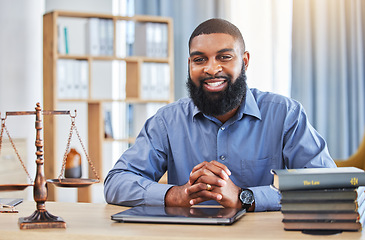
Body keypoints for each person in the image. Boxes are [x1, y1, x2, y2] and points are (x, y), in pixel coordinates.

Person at [104, 18, 336, 212]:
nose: (211, 68)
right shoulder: (167, 121)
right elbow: (116, 182)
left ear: (244, 62)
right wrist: (176, 194)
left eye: (224, 57)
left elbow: (328, 186)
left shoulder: (285, 114)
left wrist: (246, 197)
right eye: (199, 59)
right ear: (189, 65)